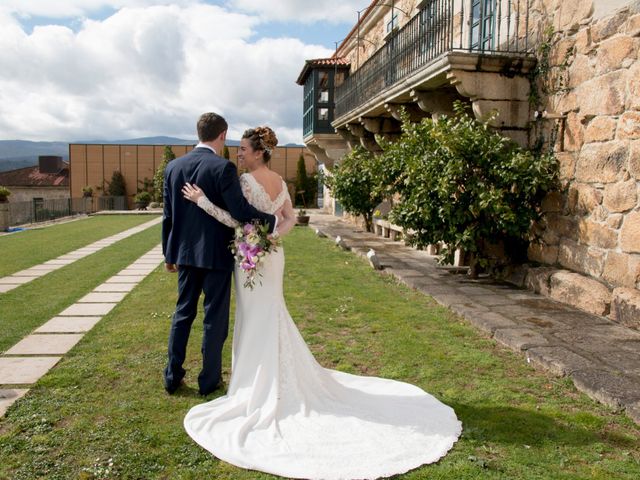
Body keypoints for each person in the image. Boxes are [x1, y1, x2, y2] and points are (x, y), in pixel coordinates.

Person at [181, 126, 462, 479]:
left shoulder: (243, 183)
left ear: (258, 152)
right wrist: (271, 240)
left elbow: (236, 218)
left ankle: (255, 385)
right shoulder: (280, 183)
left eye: (243, 150)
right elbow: (289, 219)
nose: (238, 154)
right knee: (270, 313)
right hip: (271, 254)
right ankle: (264, 377)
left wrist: (203, 202)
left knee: (255, 318)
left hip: (251, 255)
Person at [162, 113, 280, 396]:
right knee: (214, 318)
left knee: (182, 314)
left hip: (185, 256)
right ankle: (209, 380)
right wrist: (272, 221)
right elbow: (240, 212)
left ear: (199, 132)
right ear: (223, 135)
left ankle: (172, 376)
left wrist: (169, 253)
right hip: (216, 254)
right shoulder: (223, 168)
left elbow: (168, 215)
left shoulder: (173, 167)